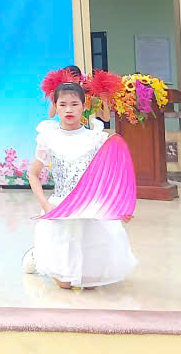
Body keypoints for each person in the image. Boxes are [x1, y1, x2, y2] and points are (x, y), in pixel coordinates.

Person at [26, 81, 137, 289]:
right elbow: (32, 174)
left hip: (90, 209)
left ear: (84, 106)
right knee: (65, 284)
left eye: (74, 104)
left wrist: (119, 206)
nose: (69, 110)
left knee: (91, 283)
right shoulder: (48, 138)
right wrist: (45, 205)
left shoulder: (95, 138)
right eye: (63, 104)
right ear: (56, 106)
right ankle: (36, 254)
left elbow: (109, 177)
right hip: (61, 208)